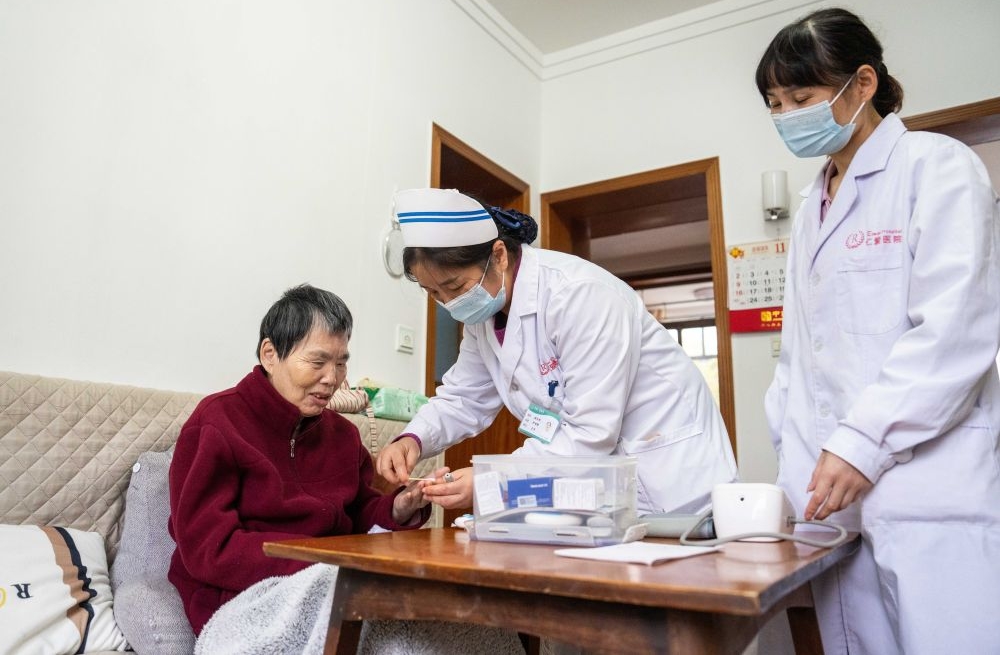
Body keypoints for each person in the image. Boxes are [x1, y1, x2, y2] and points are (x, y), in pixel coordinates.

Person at [758, 7, 1000, 655]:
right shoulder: (812, 206)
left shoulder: (936, 166)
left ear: (862, 83)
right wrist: (793, 466)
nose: (787, 116)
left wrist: (862, 442)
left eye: (801, 98)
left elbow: (954, 330)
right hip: (831, 498)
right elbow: (802, 358)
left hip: (927, 489)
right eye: (775, 104)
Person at [376, 187, 738, 516]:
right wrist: (413, 438)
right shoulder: (483, 319)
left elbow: (591, 432)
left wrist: (492, 478)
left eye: (455, 286)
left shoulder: (581, 294)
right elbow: (463, 398)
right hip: (604, 490)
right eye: (434, 293)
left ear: (498, 256)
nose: (449, 302)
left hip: (673, 483)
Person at [167, 284, 434, 636]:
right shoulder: (217, 422)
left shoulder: (343, 435)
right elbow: (208, 549)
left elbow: (359, 513)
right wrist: (320, 564)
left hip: (331, 582)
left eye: (341, 363)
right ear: (270, 354)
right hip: (240, 594)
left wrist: (398, 508)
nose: (332, 379)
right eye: (318, 362)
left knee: (431, 615)